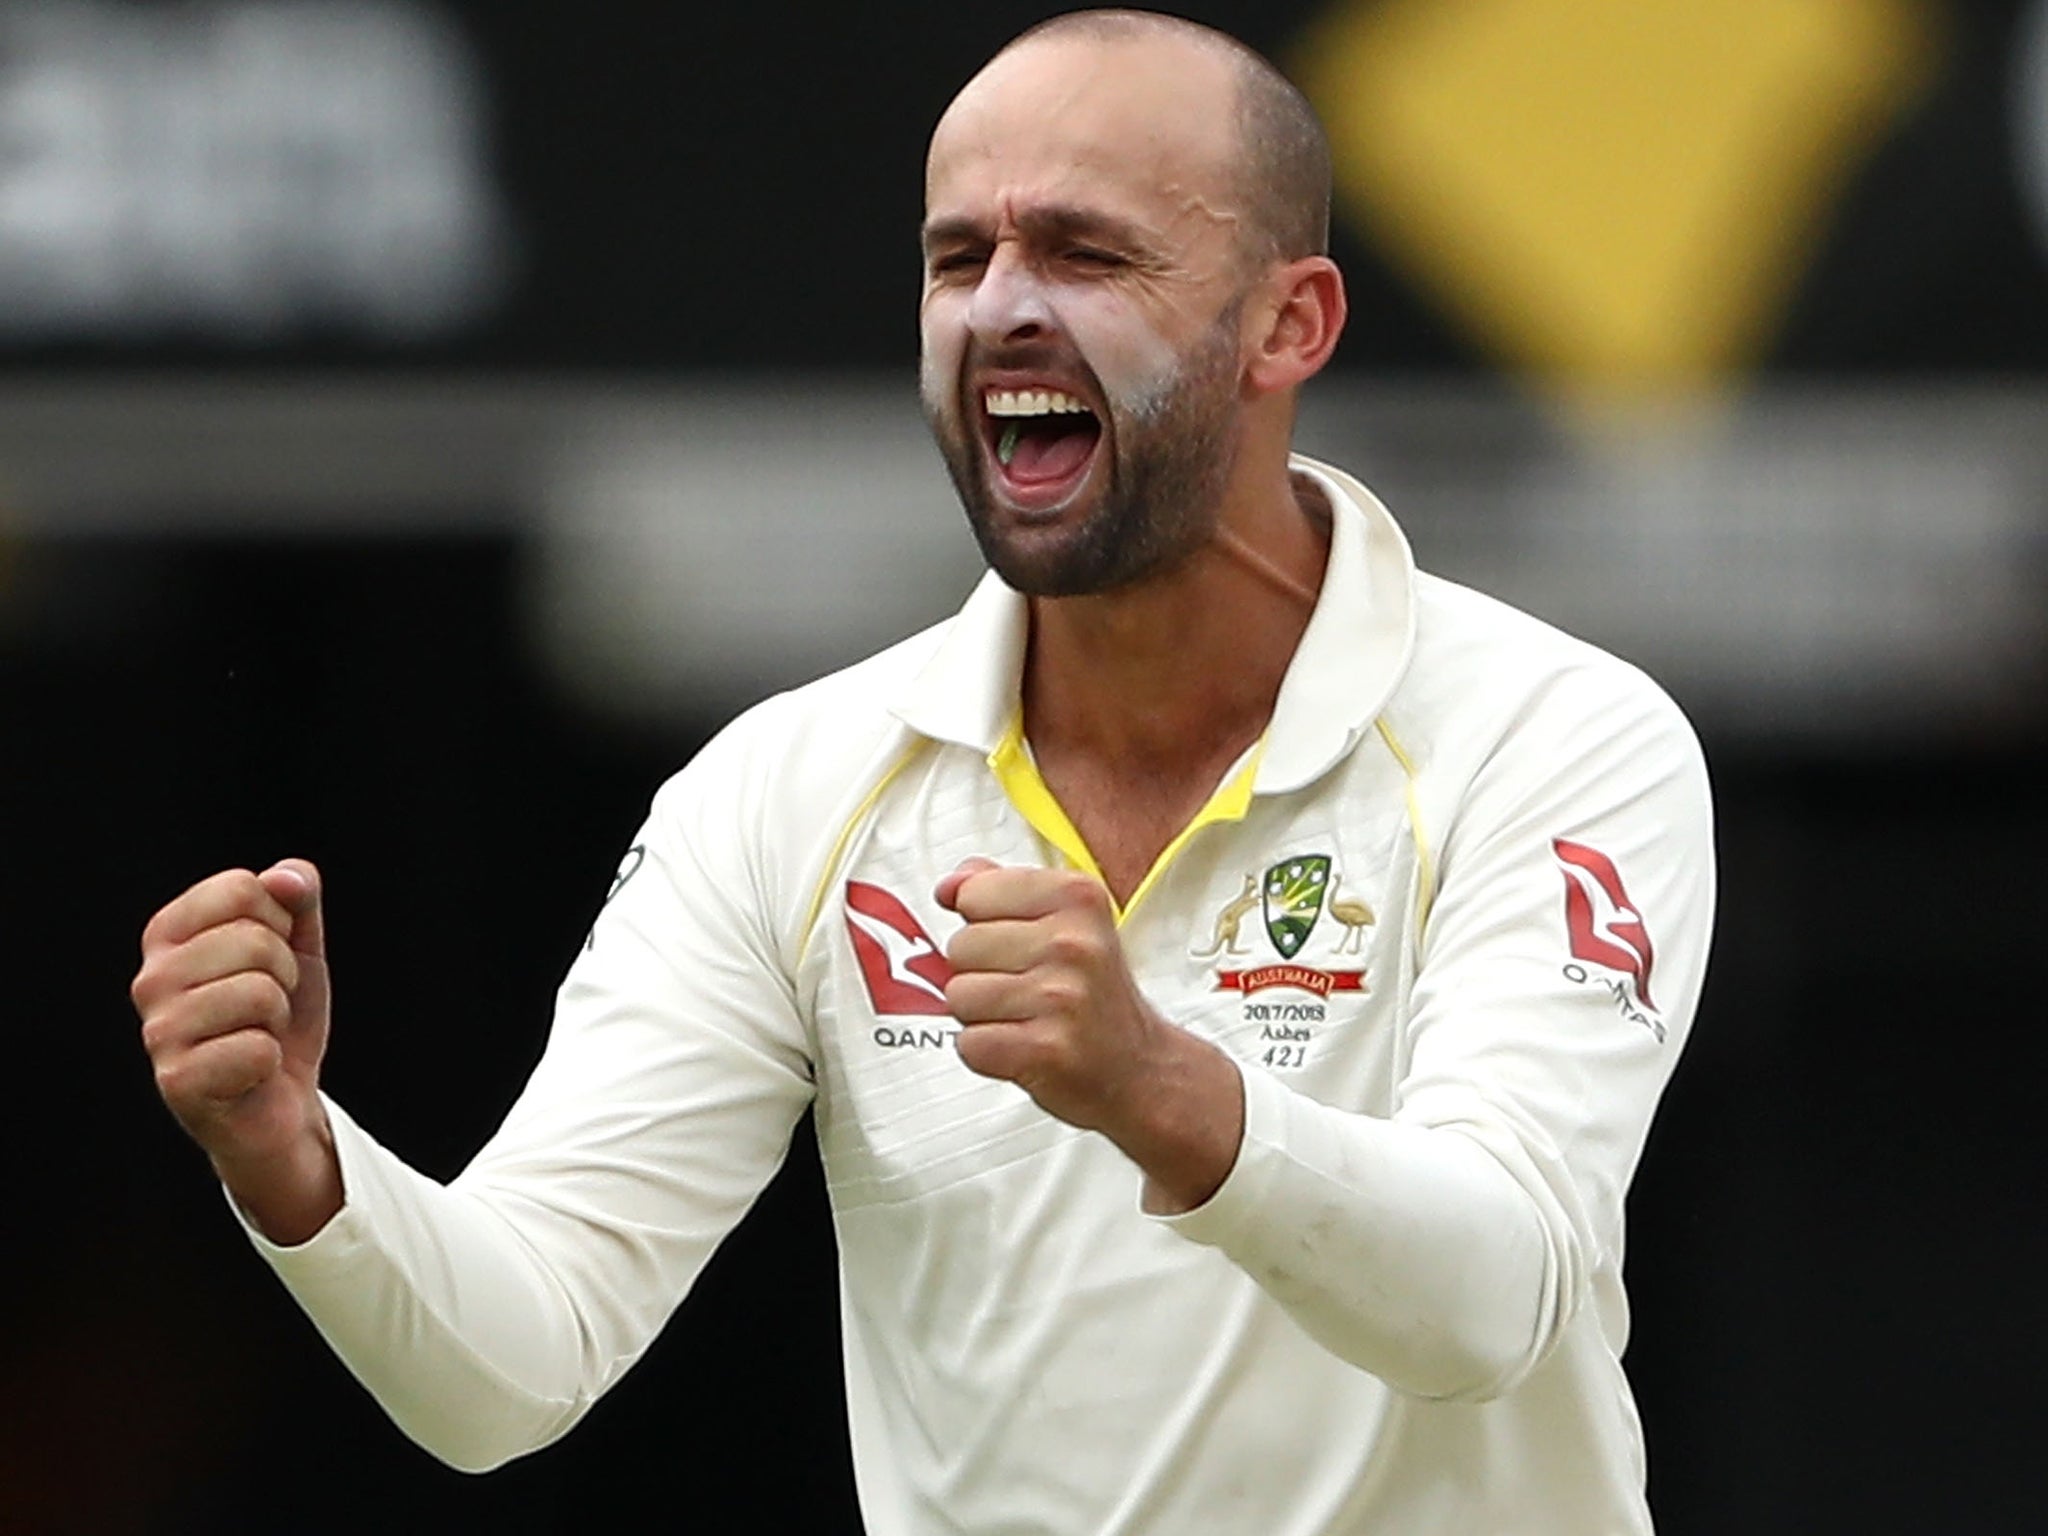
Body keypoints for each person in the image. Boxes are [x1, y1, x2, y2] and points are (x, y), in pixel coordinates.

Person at [130, 11, 1714, 1534]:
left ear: (1287, 325)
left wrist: (1157, 1088)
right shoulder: (788, 789)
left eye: (1087, 253)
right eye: (960, 258)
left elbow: (1499, 1296)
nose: (1001, 311)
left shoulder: (1558, 737)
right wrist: (298, 1161)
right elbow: (517, 1364)